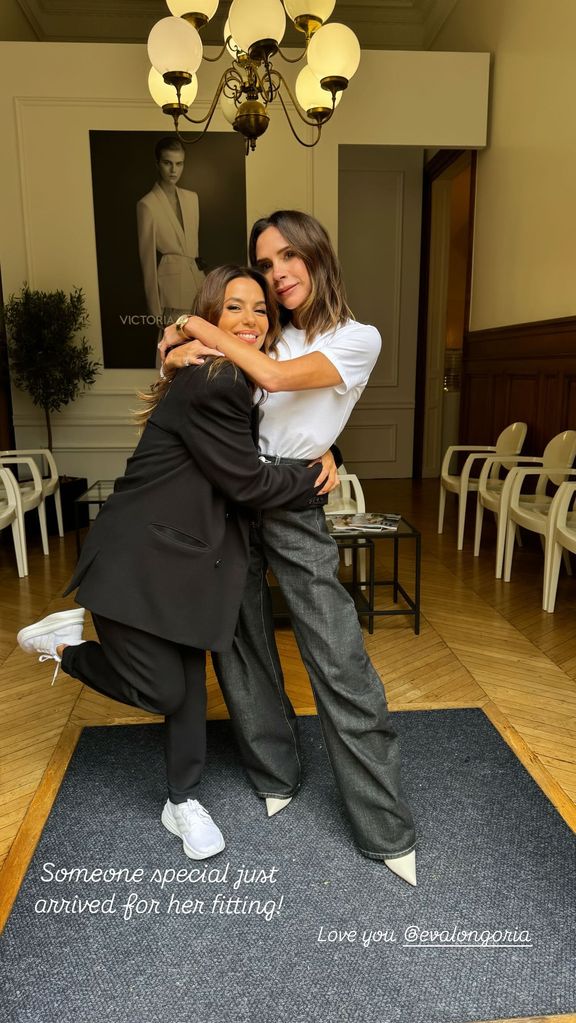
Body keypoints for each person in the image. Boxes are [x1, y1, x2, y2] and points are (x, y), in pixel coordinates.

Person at [17, 265, 326, 862]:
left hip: (186, 563)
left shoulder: (227, 377)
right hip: (138, 559)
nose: (251, 320)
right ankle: (62, 649)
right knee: (162, 689)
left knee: (186, 690)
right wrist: (317, 478)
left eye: (260, 309)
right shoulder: (215, 379)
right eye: (233, 308)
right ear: (209, 318)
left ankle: (181, 800)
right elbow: (246, 480)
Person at [160, 210, 418, 886]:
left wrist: (195, 327)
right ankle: (275, 772)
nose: (276, 274)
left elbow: (279, 386)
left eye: (285, 257)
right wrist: (175, 339)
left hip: (296, 499)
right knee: (241, 645)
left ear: (315, 253)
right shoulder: (265, 332)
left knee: (338, 655)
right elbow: (207, 378)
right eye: (264, 263)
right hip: (231, 496)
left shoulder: (358, 337)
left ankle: (383, 826)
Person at [136, 137, 205, 331]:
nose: (174, 170)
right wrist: (154, 308)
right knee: (174, 346)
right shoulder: (147, 205)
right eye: (167, 163)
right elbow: (147, 259)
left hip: (198, 283)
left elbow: (195, 248)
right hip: (171, 290)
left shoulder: (192, 198)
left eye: (179, 164)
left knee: (201, 345)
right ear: (157, 164)